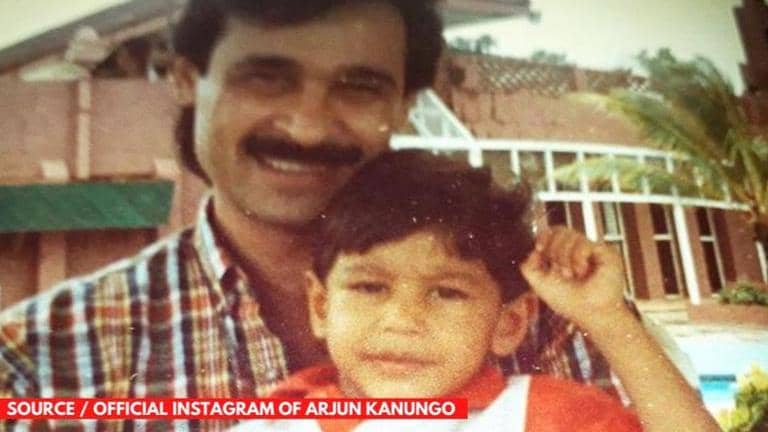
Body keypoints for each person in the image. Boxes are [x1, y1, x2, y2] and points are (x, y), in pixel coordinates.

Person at [0, 1, 717, 431]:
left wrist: (610, 322)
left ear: (402, 106)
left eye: (359, 85)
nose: (309, 124)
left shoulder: (551, 314)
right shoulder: (40, 359)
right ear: (188, 81)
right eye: (266, 76)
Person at [227, 150, 701, 431]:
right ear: (321, 306)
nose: (401, 320)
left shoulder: (544, 415)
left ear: (508, 324)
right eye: (370, 286)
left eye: (446, 293)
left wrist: (607, 319)